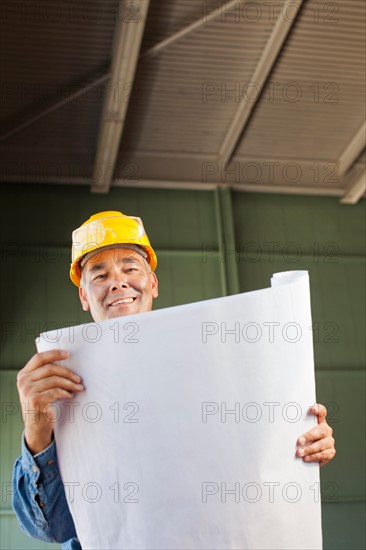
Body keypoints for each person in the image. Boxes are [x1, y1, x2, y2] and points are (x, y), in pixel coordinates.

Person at [12, 211, 336, 549]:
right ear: (84, 296)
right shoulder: (56, 383)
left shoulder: (211, 361)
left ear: (152, 283)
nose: (117, 282)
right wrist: (37, 430)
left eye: (130, 267)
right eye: (99, 274)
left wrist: (301, 447)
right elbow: (50, 528)